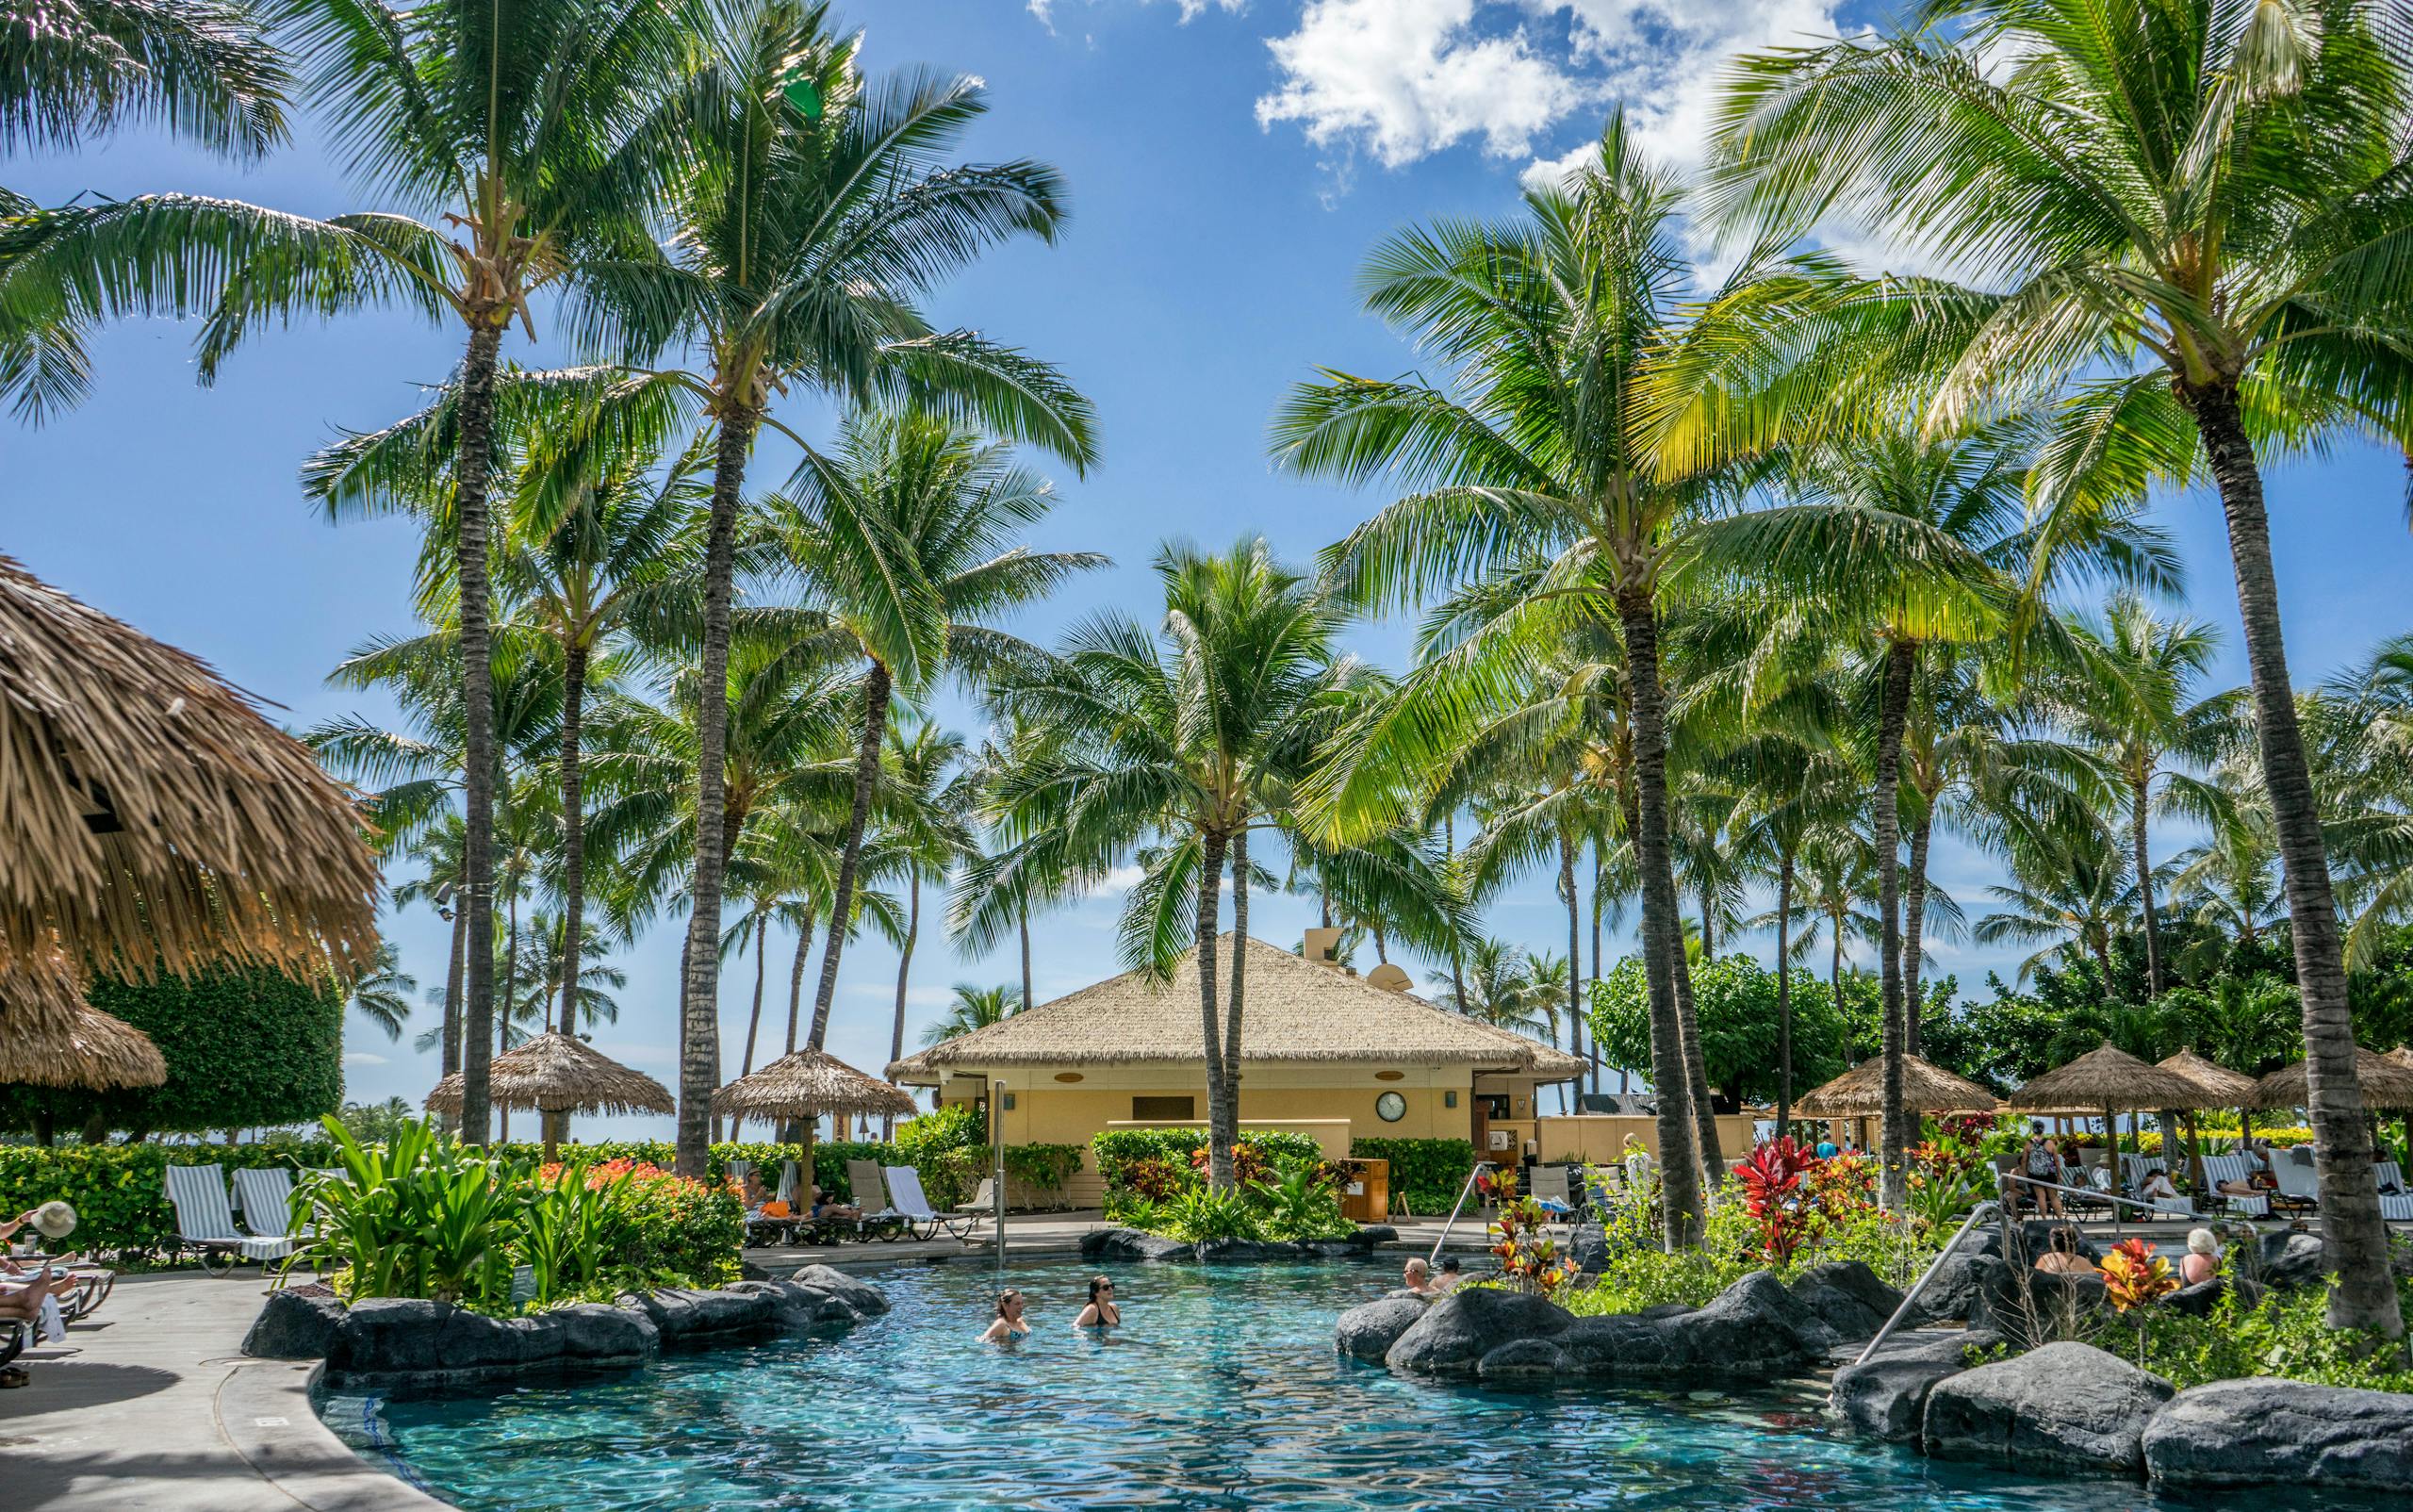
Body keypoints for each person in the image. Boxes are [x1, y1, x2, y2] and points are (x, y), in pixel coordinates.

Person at [2022, 1126, 2063, 1218]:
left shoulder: (2028, 1144)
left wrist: (2025, 1173)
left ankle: (2044, 1218)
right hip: (2049, 1173)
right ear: (2043, 1130)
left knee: (2041, 1196)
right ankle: (2060, 1218)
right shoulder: (2050, 1143)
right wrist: (2059, 1174)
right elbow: (2056, 1160)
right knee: (2053, 1197)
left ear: (2033, 1130)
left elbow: (2024, 1160)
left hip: (2035, 1174)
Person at [2033, 1225, 2098, 1275]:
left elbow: (2036, 1278)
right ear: (2075, 1241)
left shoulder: (2046, 1259)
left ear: (2053, 1243)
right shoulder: (2084, 1262)